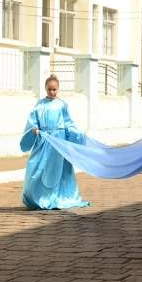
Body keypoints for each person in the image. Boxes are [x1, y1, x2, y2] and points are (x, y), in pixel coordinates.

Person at [19, 74, 90, 210]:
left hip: (59, 142)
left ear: (58, 89)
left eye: (54, 89)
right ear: (45, 89)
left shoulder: (62, 104)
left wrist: (76, 133)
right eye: (49, 89)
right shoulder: (40, 105)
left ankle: (59, 197)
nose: (52, 92)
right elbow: (33, 121)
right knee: (37, 168)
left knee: (59, 170)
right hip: (44, 141)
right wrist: (34, 129)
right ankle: (38, 197)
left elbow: (68, 123)